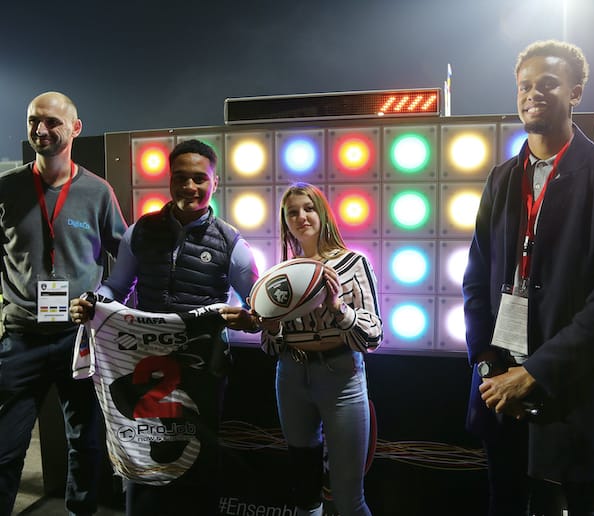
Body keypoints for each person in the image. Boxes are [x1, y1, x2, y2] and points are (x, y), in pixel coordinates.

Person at [462, 40, 594, 516]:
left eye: (548, 84)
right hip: (499, 392)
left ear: (576, 93)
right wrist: (491, 370)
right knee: (506, 504)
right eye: (525, 86)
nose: (533, 94)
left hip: (573, 394)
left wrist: (534, 374)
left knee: (586, 506)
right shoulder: (501, 178)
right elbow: (475, 281)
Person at [70, 138, 260, 516]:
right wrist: (93, 302)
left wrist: (251, 320)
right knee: (142, 452)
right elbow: (116, 287)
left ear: (215, 182)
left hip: (203, 366)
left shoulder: (231, 242)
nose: (190, 187)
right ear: (169, 180)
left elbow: (256, 306)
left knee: (198, 457)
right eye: (180, 178)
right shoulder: (141, 231)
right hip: (145, 361)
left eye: (199, 179)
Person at [0, 91, 128, 516]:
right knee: (5, 448)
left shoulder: (97, 191)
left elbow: (125, 260)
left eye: (53, 122)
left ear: (75, 128)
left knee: (86, 444)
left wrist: (102, 299)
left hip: (79, 341)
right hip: (20, 340)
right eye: (34, 121)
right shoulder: (7, 189)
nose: (41, 130)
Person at [259, 182, 382, 516]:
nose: (302, 217)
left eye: (308, 208)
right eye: (292, 212)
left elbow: (373, 336)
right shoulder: (281, 274)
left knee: (348, 497)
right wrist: (270, 328)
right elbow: (272, 347)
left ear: (323, 213)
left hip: (341, 376)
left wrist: (339, 309)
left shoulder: (354, 263)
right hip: (292, 376)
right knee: (305, 493)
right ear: (285, 222)